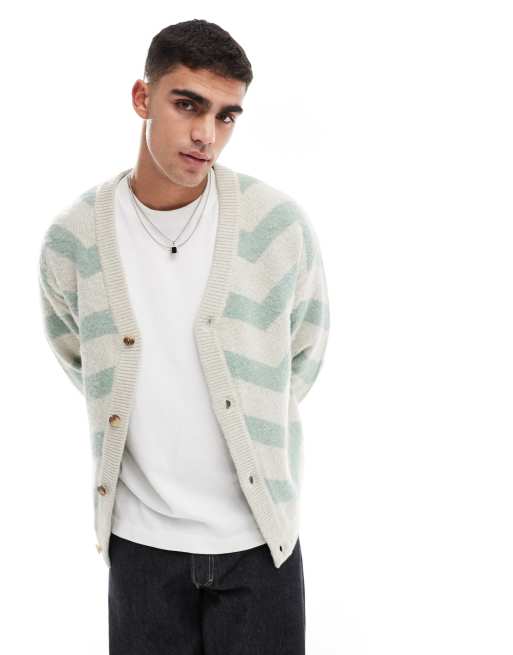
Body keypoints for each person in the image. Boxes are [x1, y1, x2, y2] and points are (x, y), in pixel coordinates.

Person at [38, 18, 330, 655]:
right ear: (143, 98)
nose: (206, 134)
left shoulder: (275, 226)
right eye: (188, 105)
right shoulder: (75, 239)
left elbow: (302, 354)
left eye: (226, 116)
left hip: (259, 547)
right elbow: (80, 355)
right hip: (142, 551)